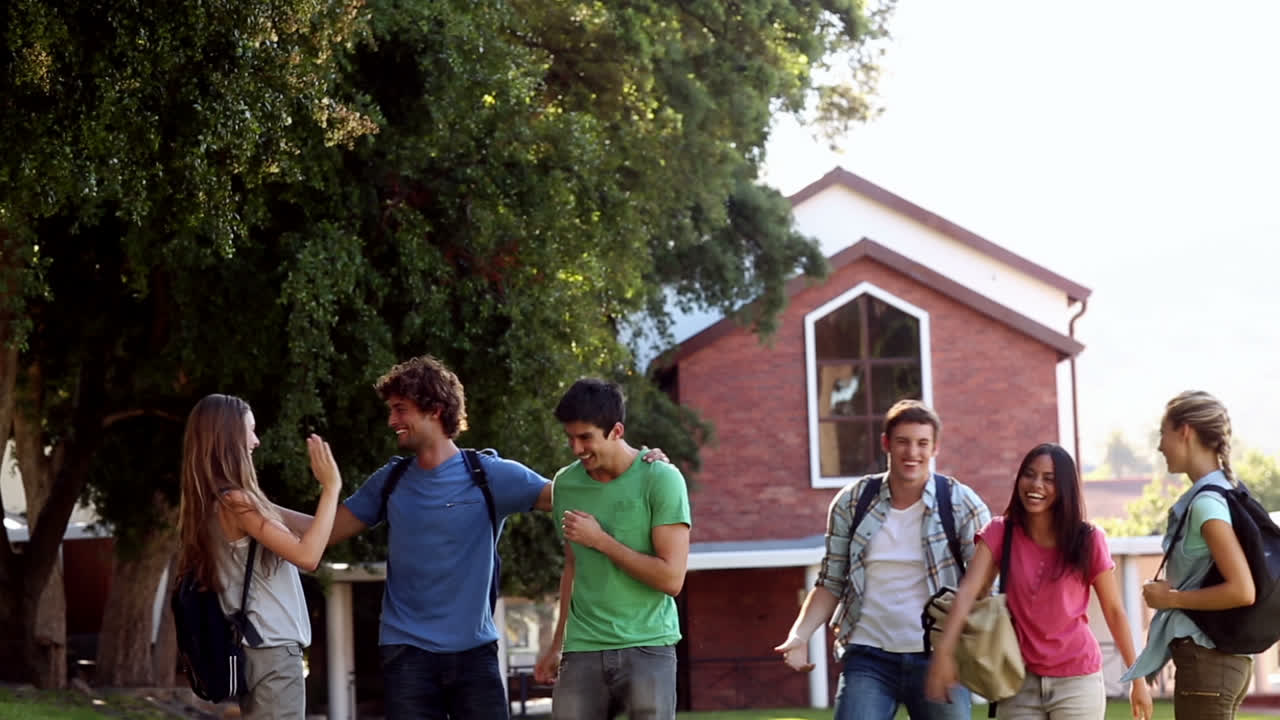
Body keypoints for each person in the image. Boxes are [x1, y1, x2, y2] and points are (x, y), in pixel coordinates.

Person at [273, 356, 667, 719]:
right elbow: (318, 535)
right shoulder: (389, 481)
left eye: (400, 410)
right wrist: (251, 501)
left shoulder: (490, 475)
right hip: (406, 655)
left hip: (474, 655)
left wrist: (640, 464)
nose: (392, 420)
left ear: (435, 410)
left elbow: (581, 493)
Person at [774, 399, 991, 720]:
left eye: (922, 443)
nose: (912, 452)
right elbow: (830, 582)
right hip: (868, 656)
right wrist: (799, 634)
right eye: (902, 441)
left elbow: (985, 586)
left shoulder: (962, 504)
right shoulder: (852, 502)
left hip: (939, 656)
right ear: (886, 443)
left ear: (935, 448)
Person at [924, 443, 1153, 720]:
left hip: (1077, 680)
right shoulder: (999, 532)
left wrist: (1137, 680)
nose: (1035, 485)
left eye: (1049, 479)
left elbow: (1115, 611)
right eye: (1029, 474)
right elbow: (968, 592)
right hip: (1018, 680)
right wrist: (944, 653)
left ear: (1065, 488)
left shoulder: (1088, 539)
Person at [176, 393, 343, 720]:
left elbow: (318, 531)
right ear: (230, 438)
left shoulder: (220, 502)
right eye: (250, 431)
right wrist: (331, 486)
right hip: (274, 657)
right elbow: (309, 556)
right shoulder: (238, 503)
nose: (256, 441)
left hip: (256, 654)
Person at [531, 378, 691, 720]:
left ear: (616, 430)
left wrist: (601, 540)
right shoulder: (566, 484)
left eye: (585, 437)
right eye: (570, 438)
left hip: (648, 646)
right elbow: (573, 567)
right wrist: (557, 644)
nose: (576, 448)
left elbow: (671, 579)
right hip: (583, 649)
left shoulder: (661, 479)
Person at [1122, 391, 1256, 719]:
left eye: (1162, 433)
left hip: (1206, 660)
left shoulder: (1206, 504)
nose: (1159, 446)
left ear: (1185, 432)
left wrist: (1172, 600)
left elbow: (1242, 590)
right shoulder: (1226, 491)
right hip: (1222, 661)